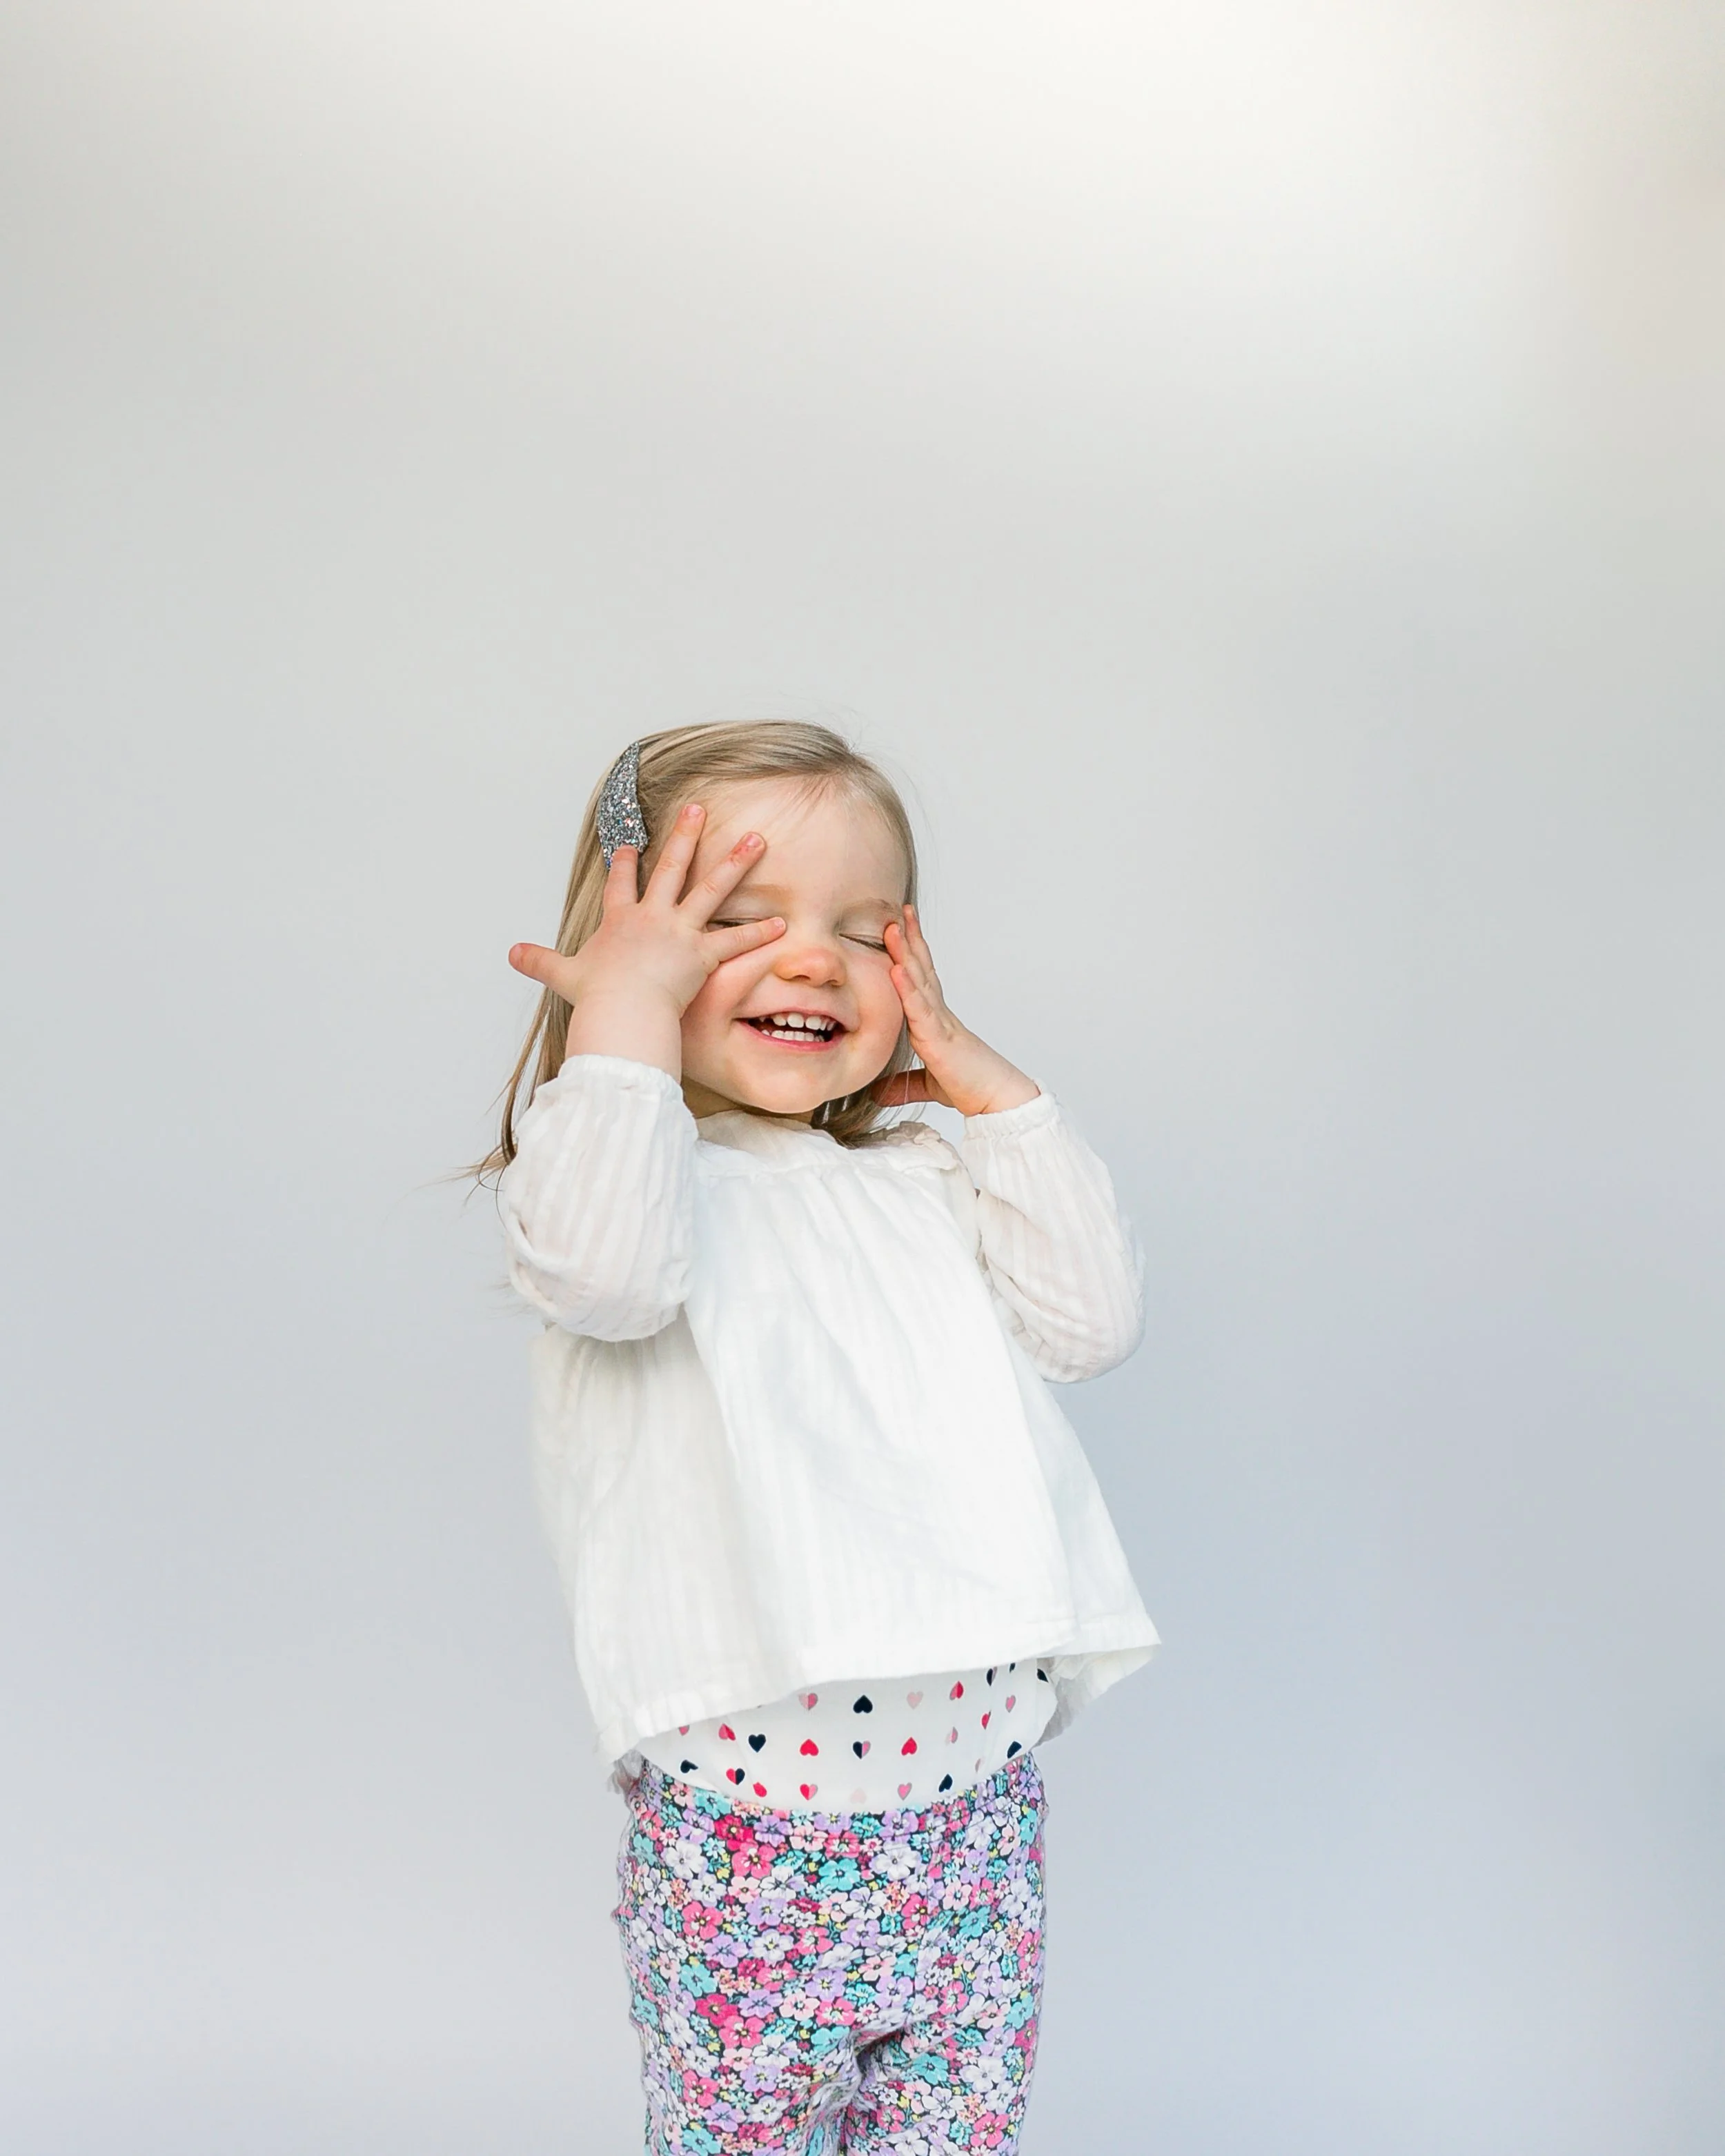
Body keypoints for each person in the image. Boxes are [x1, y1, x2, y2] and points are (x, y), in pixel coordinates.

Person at [481, 719, 1159, 2153]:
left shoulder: (916, 1176)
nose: (812, 960)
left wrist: (996, 1097)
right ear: (627, 955)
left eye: (865, 929)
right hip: (749, 1844)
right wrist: (622, 1021)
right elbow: (609, 1273)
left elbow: (1088, 1323)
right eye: (734, 922)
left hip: (972, 1813)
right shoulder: (625, 1175)